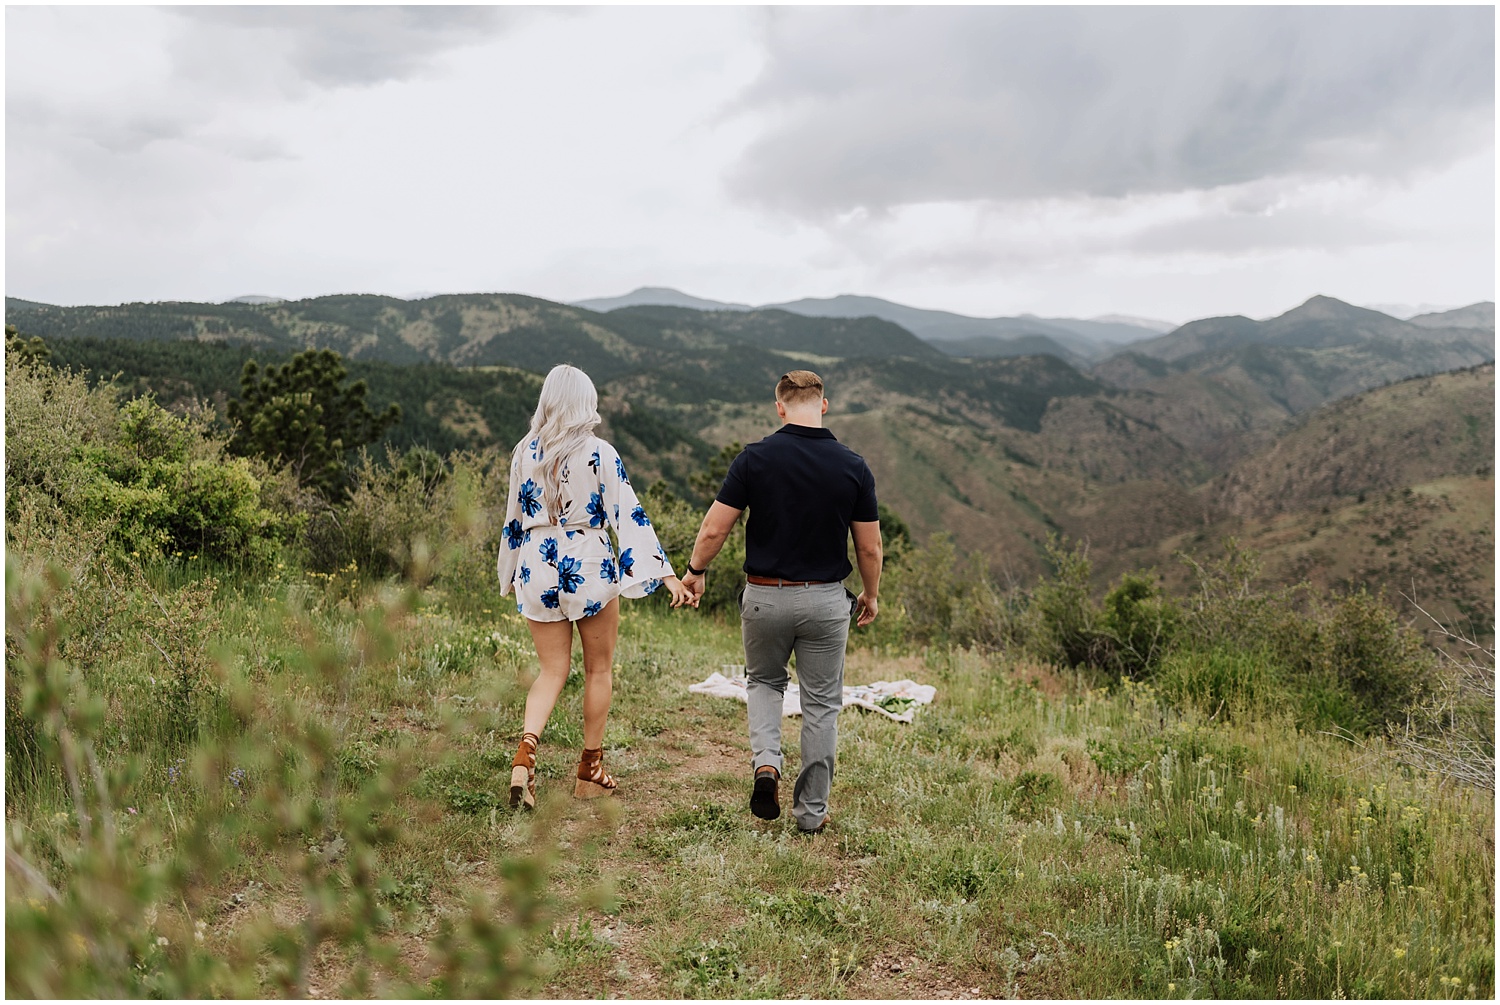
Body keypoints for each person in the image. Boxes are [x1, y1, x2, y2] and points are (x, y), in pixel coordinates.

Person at [680, 369, 881, 834]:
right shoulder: (853, 466)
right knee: (821, 705)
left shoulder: (754, 459)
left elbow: (714, 528)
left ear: (780, 407)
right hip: (827, 604)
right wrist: (870, 594)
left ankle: (766, 765)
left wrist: (695, 572)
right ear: (823, 405)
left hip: (765, 597)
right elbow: (868, 548)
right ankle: (810, 814)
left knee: (765, 684)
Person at [497, 364, 693, 809]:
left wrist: (508, 573)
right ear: (586, 403)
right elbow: (629, 514)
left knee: (551, 671)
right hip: (586, 564)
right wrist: (663, 573)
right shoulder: (600, 452)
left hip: (536, 563)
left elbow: (513, 518)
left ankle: (524, 758)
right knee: (598, 671)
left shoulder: (523, 452)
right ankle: (589, 769)